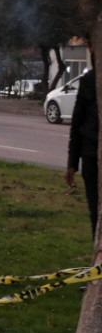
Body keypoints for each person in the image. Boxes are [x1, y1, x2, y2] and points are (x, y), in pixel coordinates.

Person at [66, 35, 98, 238]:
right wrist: (72, 163)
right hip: (91, 156)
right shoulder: (89, 81)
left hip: (90, 154)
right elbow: (77, 123)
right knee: (96, 213)